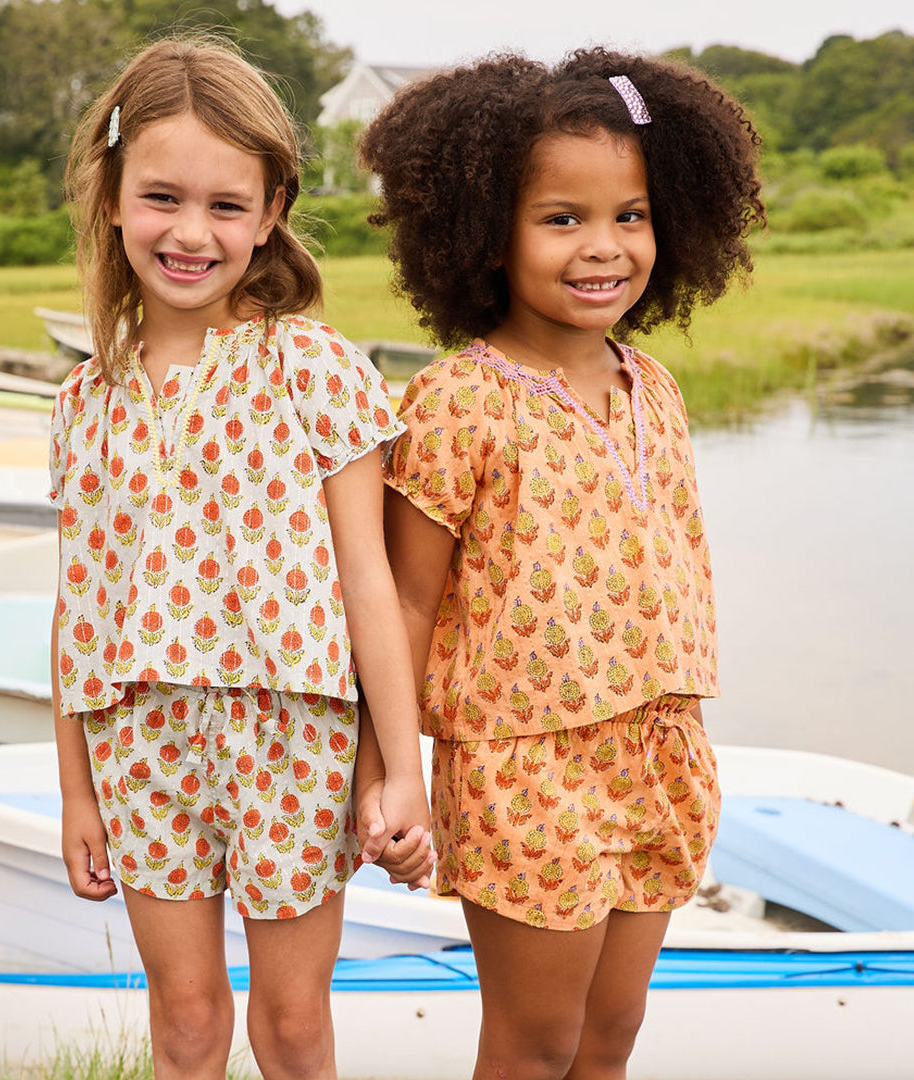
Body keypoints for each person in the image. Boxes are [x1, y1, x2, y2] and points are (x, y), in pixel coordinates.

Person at [356, 47, 766, 1079]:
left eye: (631, 215)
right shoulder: (459, 401)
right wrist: (389, 772)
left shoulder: (653, 385)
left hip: (659, 752)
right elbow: (405, 603)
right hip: (526, 768)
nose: (604, 247)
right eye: (561, 218)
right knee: (535, 1047)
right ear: (487, 234)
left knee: (608, 1040)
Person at [49, 37, 430, 1080]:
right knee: (183, 1023)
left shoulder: (315, 368)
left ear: (269, 215)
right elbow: (77, 605)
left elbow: (371, 583)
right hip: (140, 741)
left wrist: (402, 770)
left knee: (294, 1027)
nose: (190, 232)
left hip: (292, 738)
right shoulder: (84, 400)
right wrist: (77, 792)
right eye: (161, 198)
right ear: (114, 200)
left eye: (225, 205)